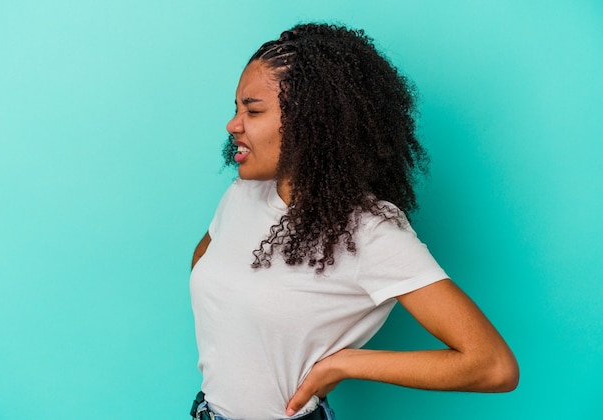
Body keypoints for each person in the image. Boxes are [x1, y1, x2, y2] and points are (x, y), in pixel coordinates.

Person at [189, 23, 518, 420]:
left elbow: (492, 365)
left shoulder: (369, 231)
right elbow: (208, 263)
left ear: (314, 123)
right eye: (236, 108)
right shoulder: (243, 193)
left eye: (253, 110)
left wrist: (341, 364)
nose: (233, 124)